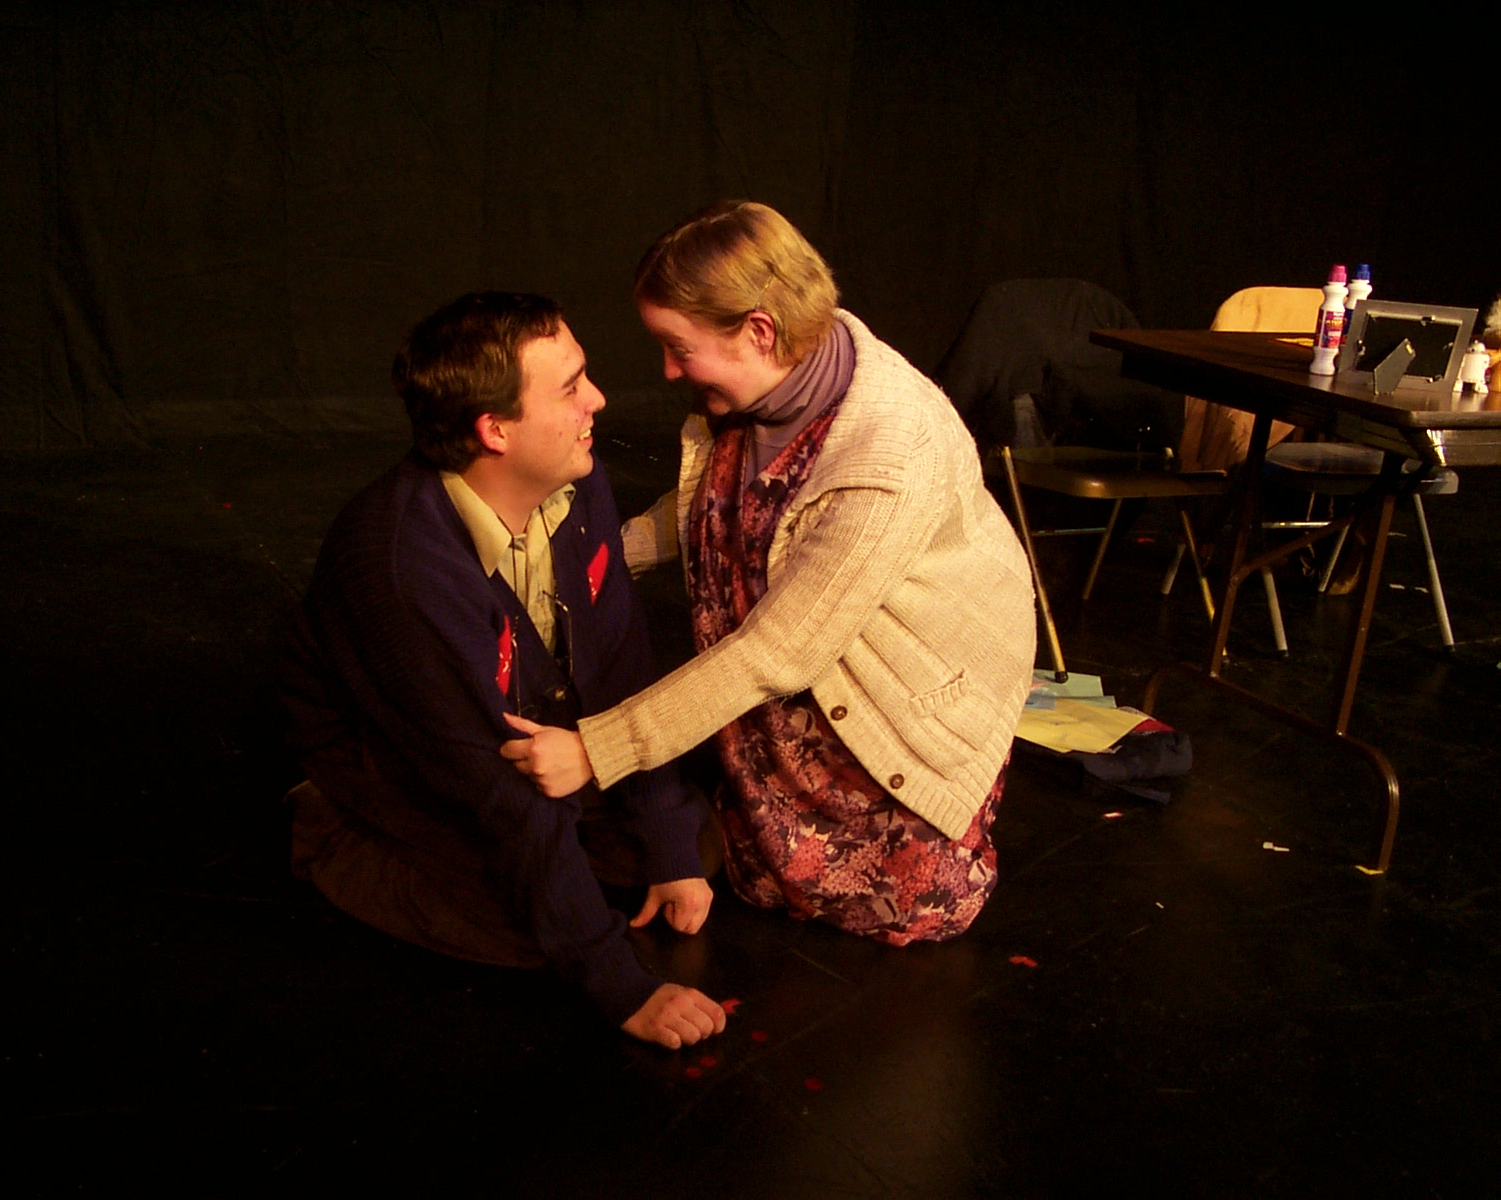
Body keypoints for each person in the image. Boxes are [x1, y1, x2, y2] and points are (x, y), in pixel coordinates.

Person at [502, 203, 1036, 947]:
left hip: (889, 705)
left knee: (916, 907)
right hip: (783, 687)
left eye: (677, 347)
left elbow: (779, 653)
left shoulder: (889, 453)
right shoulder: (762, 385)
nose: (666, 370)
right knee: (753, 872)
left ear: (759, 330)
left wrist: (596, 751)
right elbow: (711, 509)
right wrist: (587, 555)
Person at [277, 291, 726, 1048]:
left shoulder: (579, 484)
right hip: (403, 756)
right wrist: (621, 987)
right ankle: (329, 825)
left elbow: (619, 668)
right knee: (528, 933)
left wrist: (668, 843)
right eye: (571, 387)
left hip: (525, 733)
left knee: (694, 841)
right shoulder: (404, 567)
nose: (599, 399)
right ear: (495, 430)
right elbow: (491, 782)